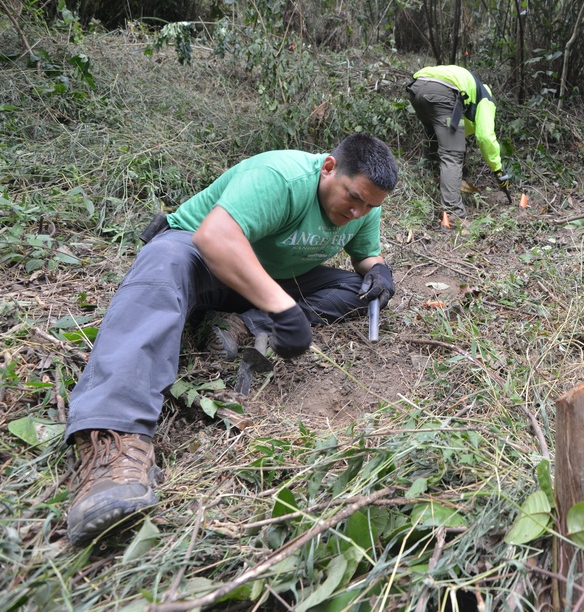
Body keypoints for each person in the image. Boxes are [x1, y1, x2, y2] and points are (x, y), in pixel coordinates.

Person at [64, 134, 399, 546]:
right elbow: (216, 238)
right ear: (329, 168)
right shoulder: (281, 177)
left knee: (354, 288)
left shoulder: (364, 208)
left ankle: (242, 324)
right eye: (353, 198)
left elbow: (365, 255)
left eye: (369, 206)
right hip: (201, 262)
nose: (357, 212)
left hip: (264, 278)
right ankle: (112, 445)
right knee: (163, 261)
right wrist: (283, 308)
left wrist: (378, 269)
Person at [406, 65, 510, 225]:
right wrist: (498, 169)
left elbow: (460, 126)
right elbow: (485, 137)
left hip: (417, 87)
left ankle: (428, 192)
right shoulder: (486, 100)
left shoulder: (471, 89)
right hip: (443, 92)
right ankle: (453, 214)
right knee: (452, 154)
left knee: (433, 138)